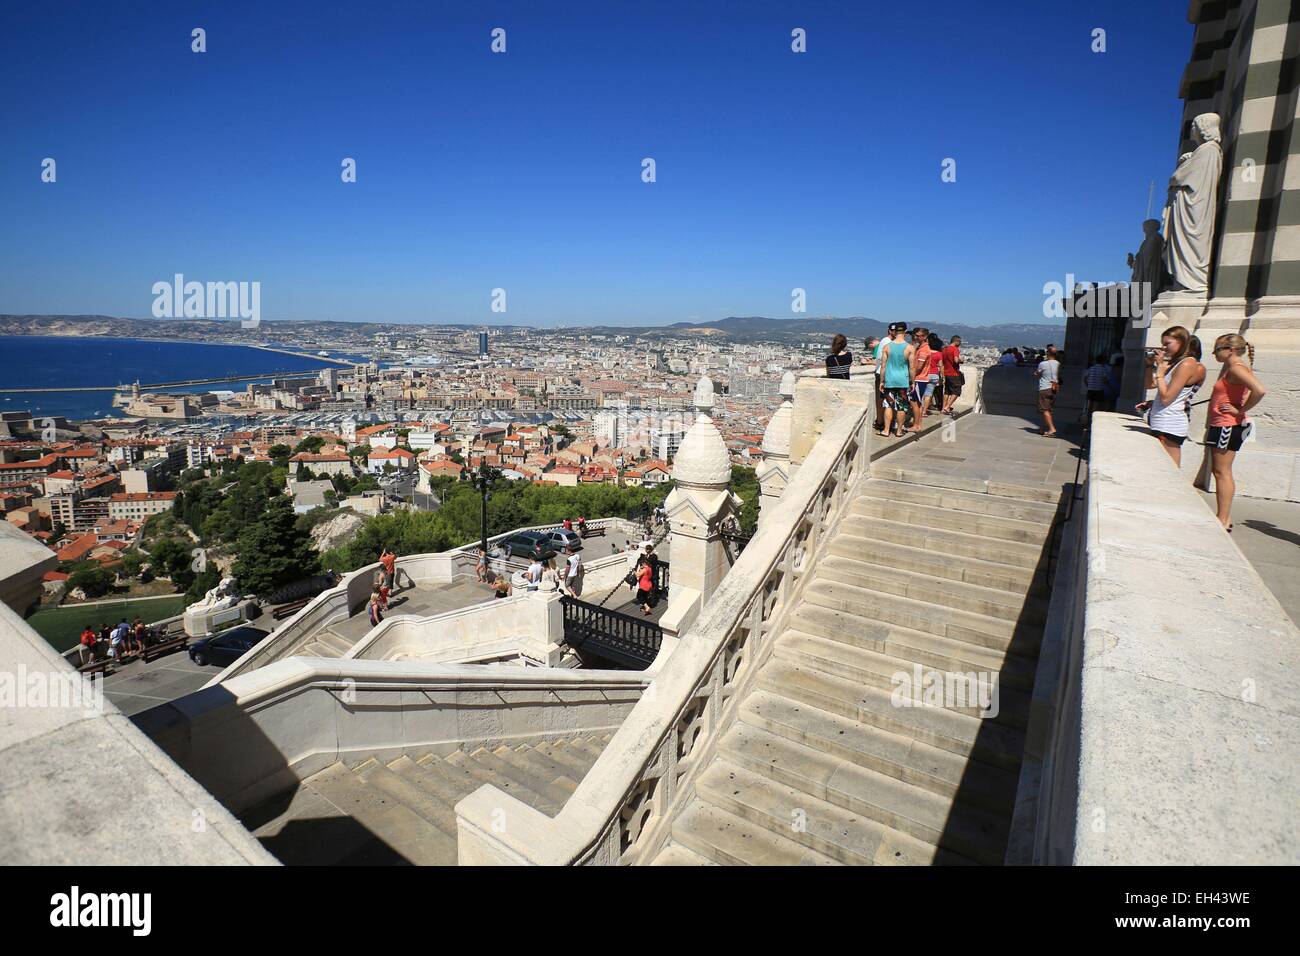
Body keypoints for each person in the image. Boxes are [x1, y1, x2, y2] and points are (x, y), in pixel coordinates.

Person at [1207, 334, 1267, 531]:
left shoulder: (1235, 367)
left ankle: (1222, 518)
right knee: (1221, 472)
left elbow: (1259, 390)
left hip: (1227, 425)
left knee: (1221, 472)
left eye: (1217, 349)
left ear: (1229, 350)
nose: (1214, 353)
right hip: (1224, 424)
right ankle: (1224, 516)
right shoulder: (1233, 367)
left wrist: (1240, 410)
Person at [1136, 325, 1204, 467]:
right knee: (1159, 467)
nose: (1163, 348)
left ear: (1182, 342)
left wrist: (1160, 372)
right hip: (1161, 422)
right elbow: (1150, 385)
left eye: (1167, 344)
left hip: (1170, 423)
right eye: (1163, 343)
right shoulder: (1177, 363)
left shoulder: (1188, 363)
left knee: (1170, 469)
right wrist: (1150, 366)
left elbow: (1167, 398)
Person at [878, 323, 913, 438]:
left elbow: (883, 366)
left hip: (890, 379)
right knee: (901, 406)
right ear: (905, 331)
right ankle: (898, 431)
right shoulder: (910, 348)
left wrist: (882, 381)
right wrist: (912, 381)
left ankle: (886, 430)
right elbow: (912, 367)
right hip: (903, 380)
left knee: (888, 405)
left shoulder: (887, 347)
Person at [907, 328, 933, 433]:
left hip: (919, 379)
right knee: (918, 403)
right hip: (922, 379)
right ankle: (918, 424)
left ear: (925, 337)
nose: (916, 337)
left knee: (914, 403)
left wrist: (910, 374)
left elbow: (918, 367)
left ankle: (916, 425)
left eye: (919, 335)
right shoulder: (923, 348)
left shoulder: (923, 350)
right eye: (916, 335)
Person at [1035, 346, 1062, 437]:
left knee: (1044, 409)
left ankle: (1051, 429)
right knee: (1048, 410)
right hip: (1054, 388)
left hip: (1045, 388)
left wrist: (1036, 374)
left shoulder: (1043, 364)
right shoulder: (1058, 363)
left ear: (1048, 353)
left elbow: (1037, 374)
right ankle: (1042, 428)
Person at [1084, 352, 1111, 423]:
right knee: (1097, 406)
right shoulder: (1103, 369)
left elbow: (1085, 378)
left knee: (1090, 406)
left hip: (1090, 389)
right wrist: (1109, 386)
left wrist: (1088, 385)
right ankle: (1094, 420)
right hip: (1099, 389)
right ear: (1103, 361)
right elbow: (1105, 379)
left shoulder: (1091, 368)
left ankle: (1087, 420)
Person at [941, 336, 962, 414]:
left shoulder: (944, 349)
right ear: (956, 341)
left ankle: (943, 408)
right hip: (954, 373)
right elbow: (956, 360)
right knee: (957, 390)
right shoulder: (955, 349)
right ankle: (947, 407)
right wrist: (961, 360)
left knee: (947, 391)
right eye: (959, 342)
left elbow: (942, 362)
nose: (960, 344)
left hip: (946, 373)